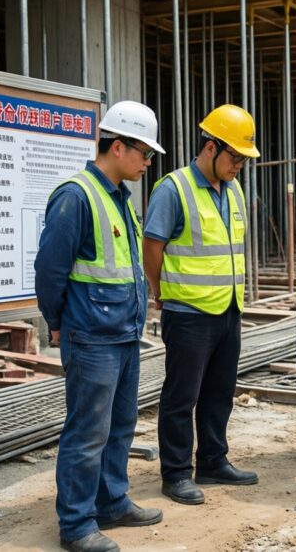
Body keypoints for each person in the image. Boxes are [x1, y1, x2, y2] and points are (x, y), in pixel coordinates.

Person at [35, 101, 166, 552]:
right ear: (117, 146)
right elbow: (50, 270)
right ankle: (76, 523)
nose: (148, 162)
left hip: (123, 334)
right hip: (90, 336)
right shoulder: (75, 196)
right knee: (87, 431)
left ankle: (112, 501)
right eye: (144, 153)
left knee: (120, 425)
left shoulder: (118, 199)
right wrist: (56, 322)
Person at [142, 104, 260, 506]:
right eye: (235, 157)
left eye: (244, 159)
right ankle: (175, 473)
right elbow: (152, 247)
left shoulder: (235, 189)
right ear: (211, 147)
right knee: (181, 396)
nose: (239, 166)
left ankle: (212, 460)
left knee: (219, 393)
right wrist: (163, 294)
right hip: (188, 313)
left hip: (228, 310)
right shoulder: (173, 189)